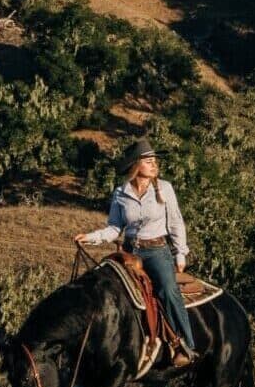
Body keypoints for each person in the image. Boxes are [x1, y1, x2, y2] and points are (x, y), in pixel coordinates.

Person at [74, 140, 198, 367]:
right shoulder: (121, 193)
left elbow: (176, 223)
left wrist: (180, 253)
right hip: (130, 252)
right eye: (148, 161)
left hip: (157, 251)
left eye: (154, 161)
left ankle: (185, 345)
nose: (154, 164)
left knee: (167, 289)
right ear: (135, 165)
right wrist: (91, 237)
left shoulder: (165, 188)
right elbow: (114, 228)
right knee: (104, 285)